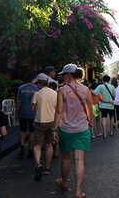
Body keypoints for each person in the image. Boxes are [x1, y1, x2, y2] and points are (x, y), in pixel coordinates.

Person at [53, 64, 93, 198]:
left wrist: (54, 129)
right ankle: (78, 192)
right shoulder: (86, 89)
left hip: (66, 129)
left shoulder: (62, 90)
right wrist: (90, 122)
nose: (63, 77)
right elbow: (89, 108)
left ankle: (64, 182)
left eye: (64, 75)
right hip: (82, 128)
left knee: (65, 157)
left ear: (69, 75)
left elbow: (59, 111)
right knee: (79, 159)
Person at [31, 73, 58, 180]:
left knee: (37, 146)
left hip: (39, 122)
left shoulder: (37, 94)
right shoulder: (55, 93)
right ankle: (47, 168)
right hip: (51, 122)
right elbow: (58, 108)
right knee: (49, 145)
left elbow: (32, 109)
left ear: (39, 83)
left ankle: (38, 165)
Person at [16, 72, 38, 159]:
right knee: (32, 132)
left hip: (23, 113)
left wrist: (16, 112)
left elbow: (18, 102)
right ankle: (30, 149)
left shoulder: (21, 88)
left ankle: (22, 147)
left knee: (23, 131)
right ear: (33, 79)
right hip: (33, 114)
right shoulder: (36, 88)